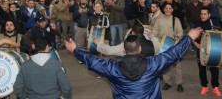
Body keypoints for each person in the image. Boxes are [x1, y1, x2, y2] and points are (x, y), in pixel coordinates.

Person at [65, 27, 202, 99]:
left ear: (124, 50)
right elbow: (173, 53)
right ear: (140, 49)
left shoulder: (113, 68)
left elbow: (93, 61)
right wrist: (189, 37)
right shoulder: (153, 64)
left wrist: (76, 50)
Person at [152, 3, 184, 92]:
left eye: (170, 8)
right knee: (165, 66)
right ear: (163, 9)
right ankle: (168, 82)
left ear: (172, 10)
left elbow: (180, 31)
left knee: (177, 65)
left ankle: (179, 83)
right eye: (166, 8)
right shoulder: (158, 20)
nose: (168, 10)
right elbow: (155, 30)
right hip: (162, 46)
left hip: (173, 46)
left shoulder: (176, 20)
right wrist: (151, 34)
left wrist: (178, 37)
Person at [194, 7, 222, 97]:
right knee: (202, 69)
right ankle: (204, 86)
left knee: (214, 69)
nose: (202, 15)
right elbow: (192, 36)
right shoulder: (197, 24)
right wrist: (195, 44)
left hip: (213, 50)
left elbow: (221, 35)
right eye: (201, 14)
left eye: (205, 14)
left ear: (209, 15)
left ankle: (215, 87)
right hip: (201, 50)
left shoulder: (214, 23)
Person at [94, 24, 160, 57]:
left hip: (133, 74)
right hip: (148, 73)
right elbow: (157, 44)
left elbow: (109, 51)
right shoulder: (153, 44)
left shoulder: (127, 45)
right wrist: (152, 36)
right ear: (143, 32)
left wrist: (98, 43)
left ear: (133, 33)